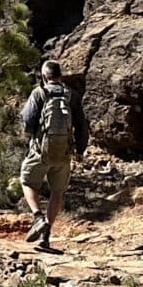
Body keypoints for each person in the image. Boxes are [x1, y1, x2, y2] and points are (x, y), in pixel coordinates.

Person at [18, 59, 88, 253]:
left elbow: (28, 120)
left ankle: (38, 218)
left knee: (27, 182)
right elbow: (82, 125)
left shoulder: (39, 93)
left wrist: (30, 136)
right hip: (64, 152)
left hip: (41, 151)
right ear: (60, 76)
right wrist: (80, 150)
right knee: (57, 192)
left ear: (44, 76)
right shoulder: (71, 95)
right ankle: (45, 237)